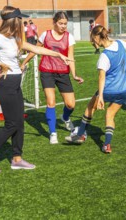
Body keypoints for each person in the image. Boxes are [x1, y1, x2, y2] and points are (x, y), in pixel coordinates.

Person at [0, 6, 73, 174]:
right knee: (12, 124)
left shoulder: (14, 38)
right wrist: (0, 64)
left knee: (19, 123)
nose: (22, 22)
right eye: (20, 19)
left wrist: (58, 55)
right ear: (14, 21)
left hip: (14, 84)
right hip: (6, 85)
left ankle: (17, 159)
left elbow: (36, 49)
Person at [65, 25, 126, 154]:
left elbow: (101, 77)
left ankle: (81, 134)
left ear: (96, 37)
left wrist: (100, 96)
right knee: (110, 115)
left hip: (109, 90)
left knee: (90, 107)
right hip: (124, 89)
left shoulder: (104, 56)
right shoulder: (121, 43)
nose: (92, 42)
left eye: (92, 39)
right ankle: (107, 145)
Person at [21, 11, 84, 144]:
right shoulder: (45, 35)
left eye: (65, 24)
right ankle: (53, 133)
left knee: (71, 104)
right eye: (60, 23)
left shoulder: (69, 37)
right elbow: (34, 50)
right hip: (47, 72)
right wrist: (24, 62)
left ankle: (65, 118)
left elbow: (71, 57)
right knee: (51, 102)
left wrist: (74, 74)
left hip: (63, 73)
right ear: (54, 22)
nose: (63, 26)